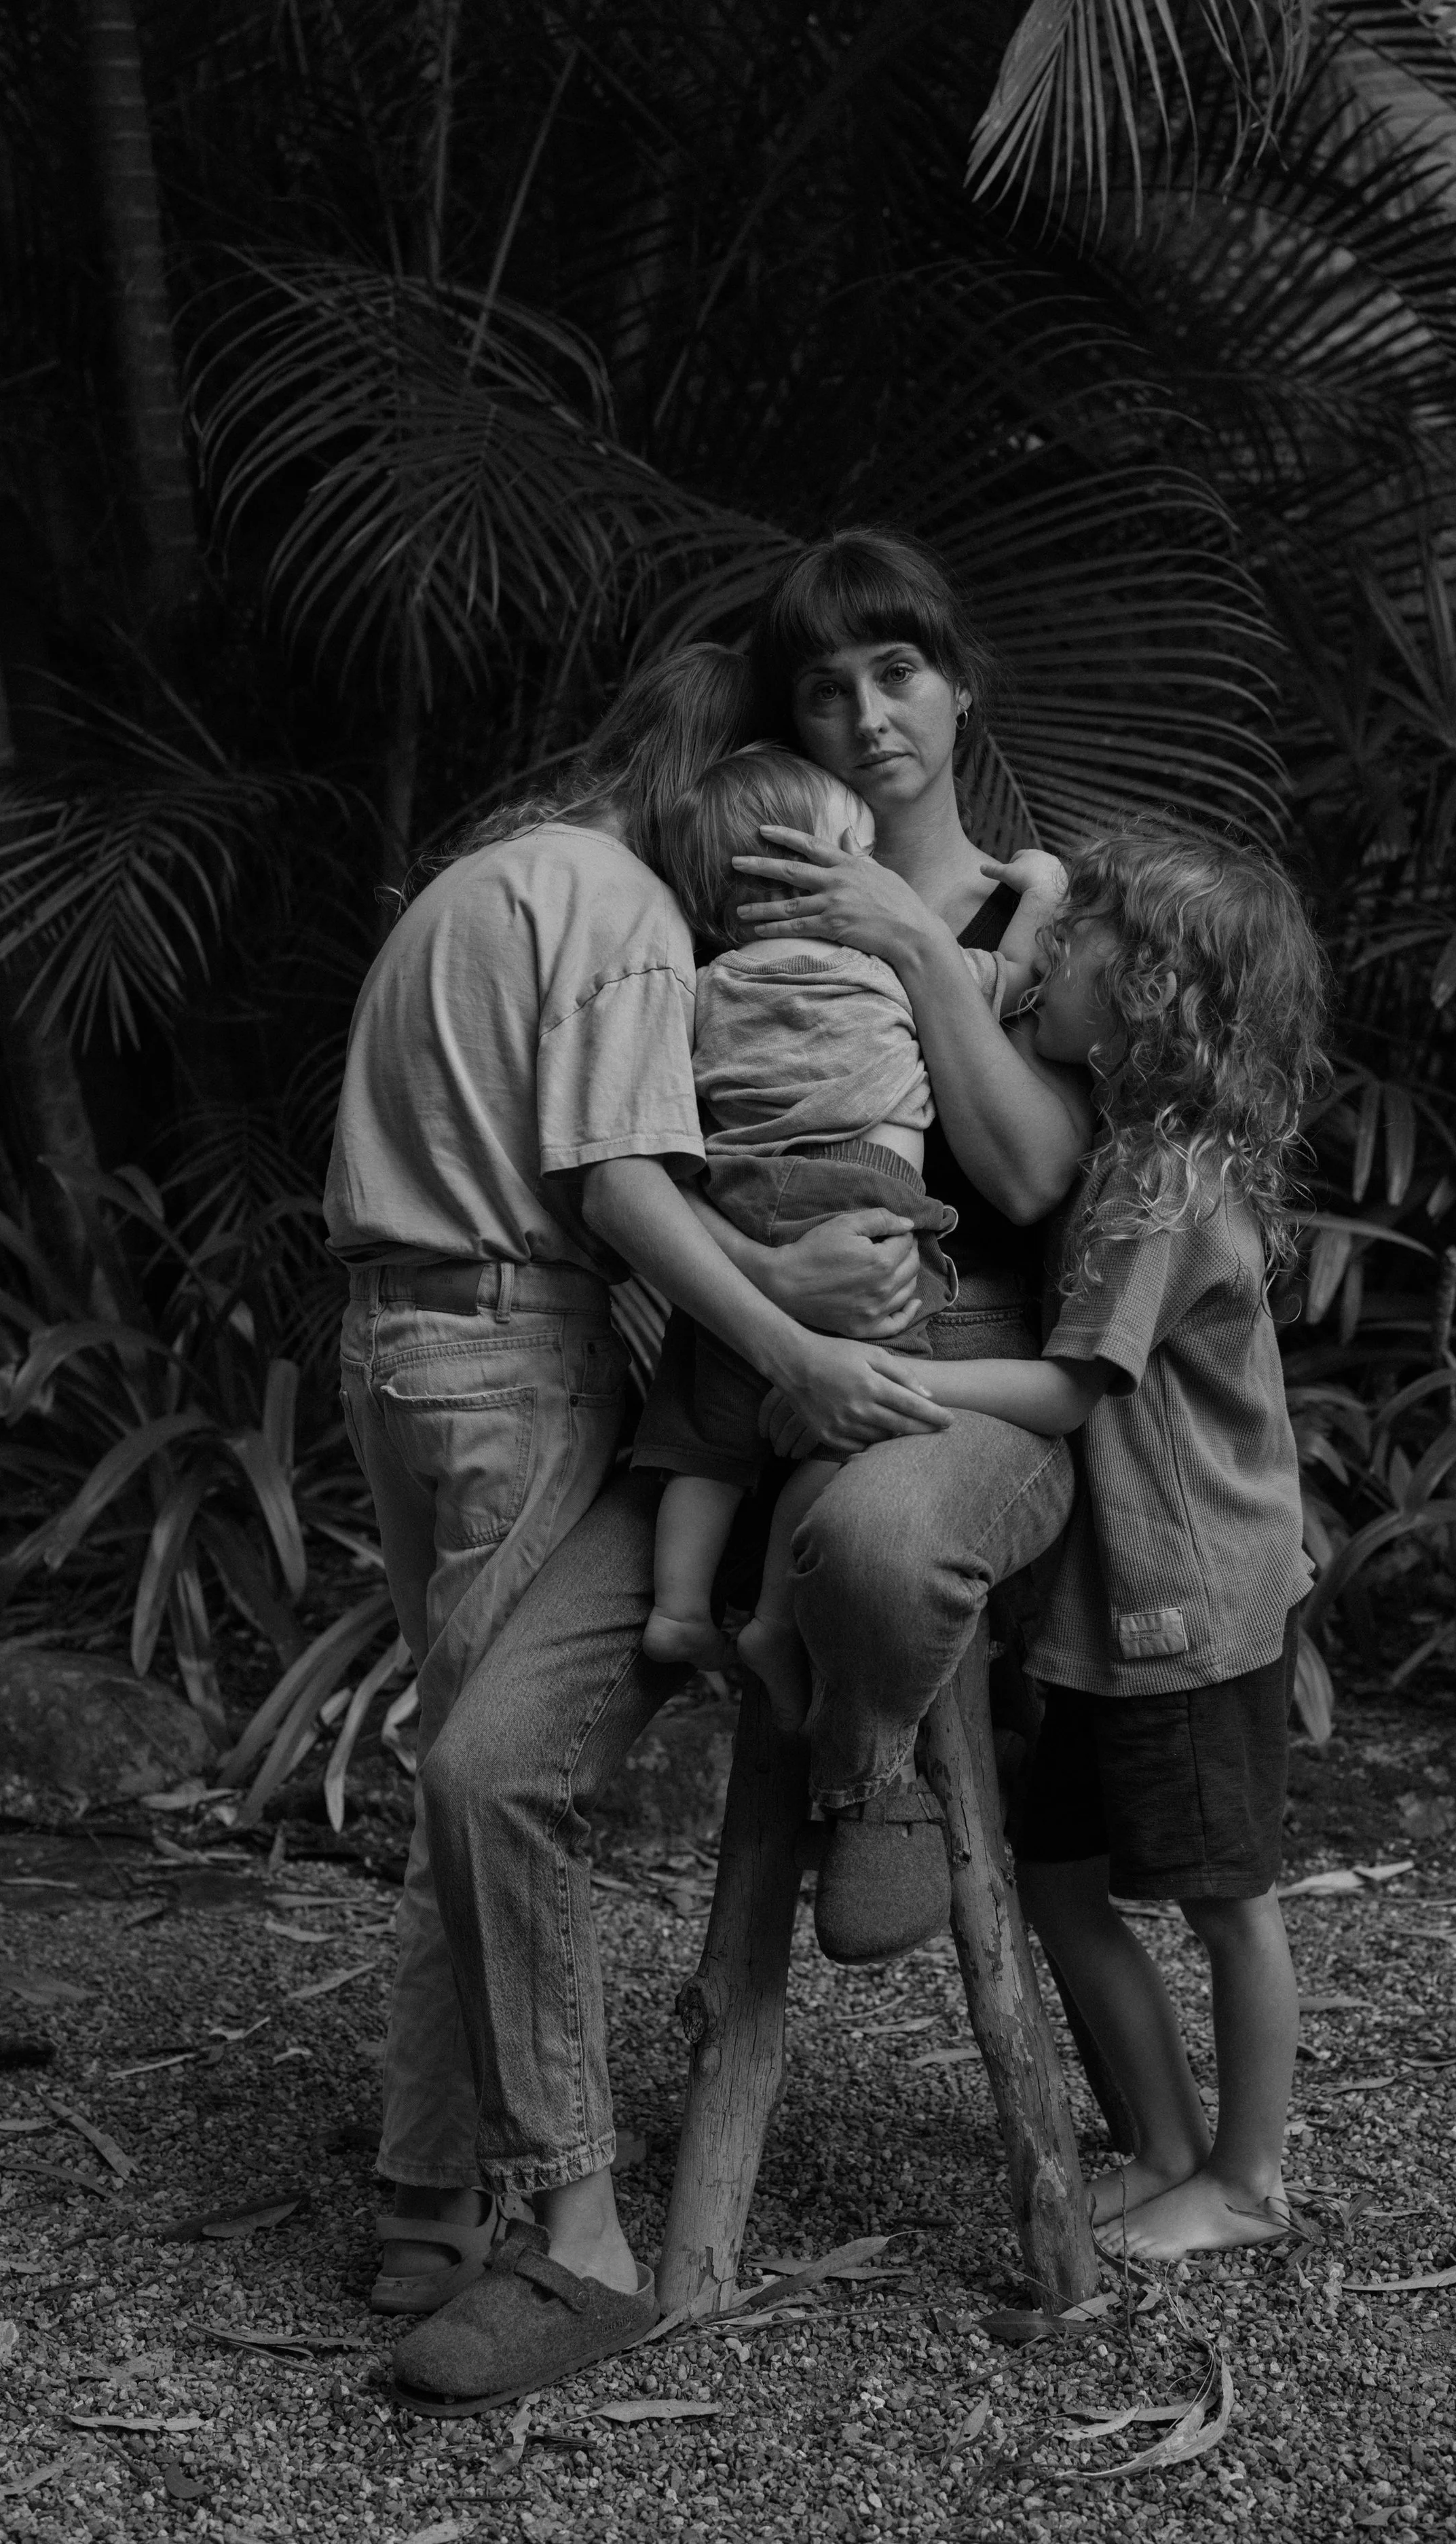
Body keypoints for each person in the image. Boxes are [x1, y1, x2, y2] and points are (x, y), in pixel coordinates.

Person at [395, 528, 1095, 2414]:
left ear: (958, 683)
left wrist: (909, 942)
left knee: (868, 1545)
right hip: (730, 1383)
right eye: (823, 686)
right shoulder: (720, 885)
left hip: (959, 1386)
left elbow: (1031, 1175)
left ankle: (869, 1765)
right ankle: (577, 2231)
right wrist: (769, 1293)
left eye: (897, 671)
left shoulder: (1040, 910)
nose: (866, 714)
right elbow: (656, 1154)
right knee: (481, 1761)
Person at [324, 645, 947, 2340]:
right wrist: (785, 1324)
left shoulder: (484, 879)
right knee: (491, 1773)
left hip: (389, 1337)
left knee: (465, 1761)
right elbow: (613, 1186)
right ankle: (460, 2203)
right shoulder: (626, 911)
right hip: (508, 1347)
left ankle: (434, 2185)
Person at [861, 821, 1326, 2264]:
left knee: (1228, 1901)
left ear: (1152, 992)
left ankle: (1246, 2182)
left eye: (1077, 946)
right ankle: (1168, 2144)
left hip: (1190, 1607)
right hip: (1110, 1614)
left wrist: (892, 1376)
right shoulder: (1132, 1153)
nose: (1048, 960)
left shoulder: (1161, 1189)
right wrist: (1028, 911)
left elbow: (1071, 1391)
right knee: (1059, 1875)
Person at [633, 740, 1060, 1732]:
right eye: (858, 856)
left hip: (739, 1198)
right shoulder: (880, 967)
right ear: (823, 875)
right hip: (862, 1201)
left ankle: (678, 1606)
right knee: (861, 1428)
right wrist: (1040, 890)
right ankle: (775, 1619)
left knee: (707, 1436)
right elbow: (1015, 977)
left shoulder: (705, 982)